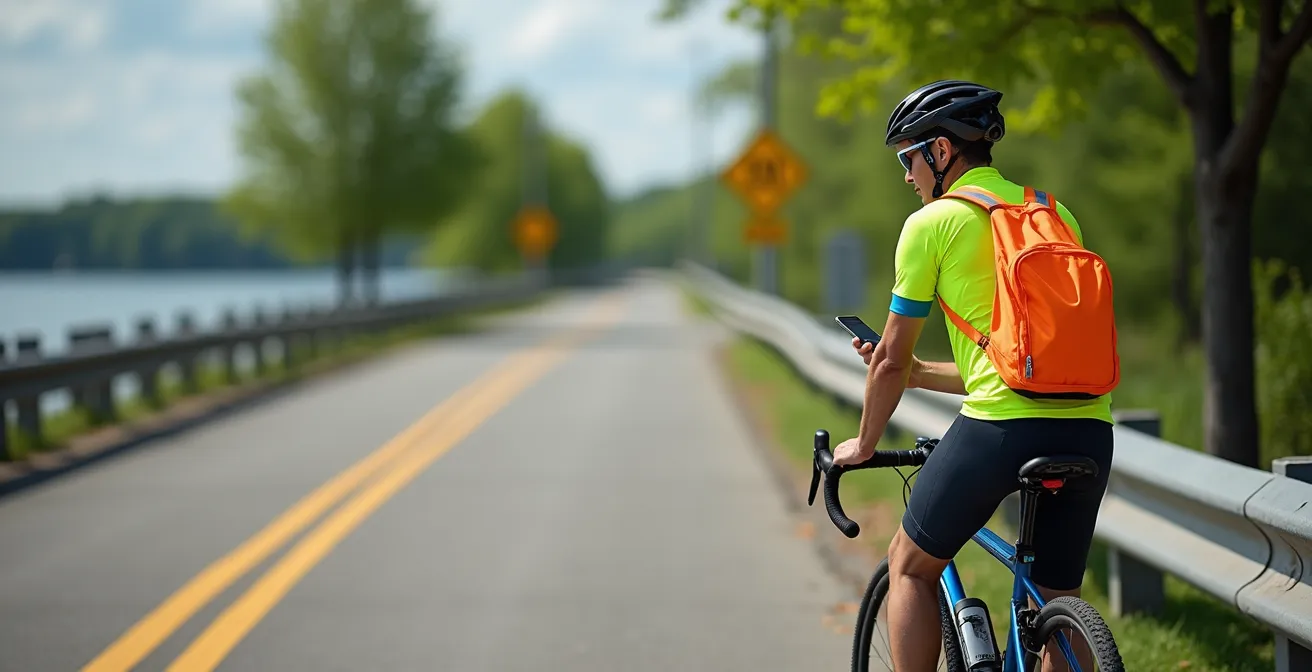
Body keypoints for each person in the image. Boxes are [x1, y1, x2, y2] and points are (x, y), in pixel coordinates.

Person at [831, 79, 1115, 670]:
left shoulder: (932, 224)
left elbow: (886, 356)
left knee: (910, 564)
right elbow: (1017, 366)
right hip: (1090, 429)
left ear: (939, 153)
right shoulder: (1055, 214)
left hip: (1000, 435)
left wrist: (864, 442)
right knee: (1058, 597)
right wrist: (913, 376)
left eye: (909, 158)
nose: (907, 176)